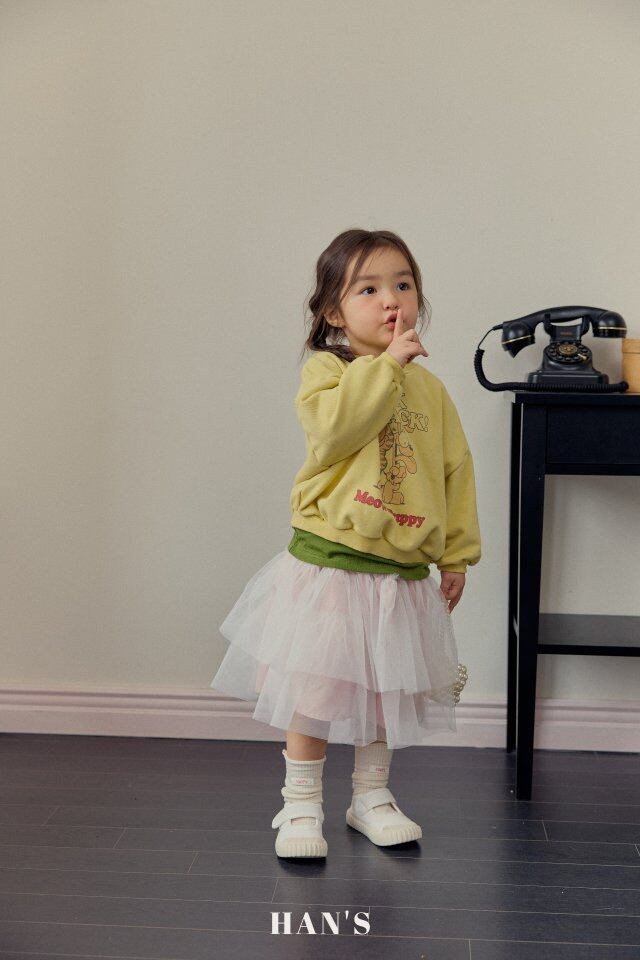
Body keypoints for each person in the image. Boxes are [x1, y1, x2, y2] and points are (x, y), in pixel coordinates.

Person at [210, 228, 481, 859]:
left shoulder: (432, 391)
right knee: (315, 688)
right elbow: (336, 430)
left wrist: (457, 554)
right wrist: (386, 367)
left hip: (399, 572)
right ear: (334, 311)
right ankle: (301, 802)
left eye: (403, 285)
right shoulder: (328, 373)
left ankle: (372, 795)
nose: (391, 300)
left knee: (383, 691)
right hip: (331, 566)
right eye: (369, 289)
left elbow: (455, 473)